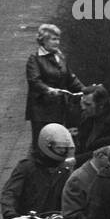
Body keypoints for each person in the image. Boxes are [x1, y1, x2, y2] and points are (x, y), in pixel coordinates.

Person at [25, 24, 83, 152]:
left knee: (58, 142)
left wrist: (85, 90)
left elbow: (70, 78)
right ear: (43, 41)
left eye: (58, 39)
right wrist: (48, 90)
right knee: (42, 142)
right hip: (42, 110)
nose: (57, 42)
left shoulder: (60, 57)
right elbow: (34, 81)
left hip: (59, 107)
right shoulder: (35, 59)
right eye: (53, 39)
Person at [0, 123, 73, 219]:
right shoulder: (26, 167)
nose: (62, 151)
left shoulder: (65, 170)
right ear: (47, 145)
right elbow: (10, 192)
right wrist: (10, 214)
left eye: (64, 148)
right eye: (59, 148)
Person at [75, 84, 110, 157]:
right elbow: (81, 144)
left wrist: (75, 160)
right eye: (82, 103)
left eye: (88, 104)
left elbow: (107, 154)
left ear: (101, 105)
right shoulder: (87, 115)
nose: (83, 108)